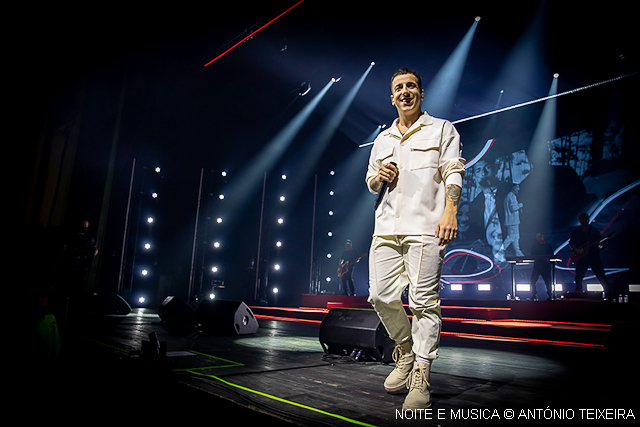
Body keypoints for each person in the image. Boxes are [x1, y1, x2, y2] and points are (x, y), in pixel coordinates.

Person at [365, 68, 465, 410]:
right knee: (380, 295)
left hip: (426, 227)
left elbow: (454, 170)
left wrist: (450, 211)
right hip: (386, 228)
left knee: (424, 302)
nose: (405, 92)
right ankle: (405, 352)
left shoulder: (441, 129)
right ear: (392, 97)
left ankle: (421, 374)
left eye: (411, 86)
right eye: (398, 88)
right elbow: (369, 182)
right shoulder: (383, 138)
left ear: (421, 94)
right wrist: (379, 175)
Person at [569, 212, 611, 299]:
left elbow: (600, 243)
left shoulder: (594, 231)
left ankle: (609, 294)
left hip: (593, 256)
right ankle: (578, 295)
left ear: (587, 220)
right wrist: (576, 249)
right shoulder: (577, 231)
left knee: (600, 275)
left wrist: (599, 245)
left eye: (585, 220)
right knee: (578, 277)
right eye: (582, 220)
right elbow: (571, 243)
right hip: (581, 257)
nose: (583, 222)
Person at [529, 233, 554, 300]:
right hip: (537, 266)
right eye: (537, 237)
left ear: (543, 237)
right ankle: (534, 294)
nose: (539, 238)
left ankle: (550, 295)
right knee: (533, 280)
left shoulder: (548, 245)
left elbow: (551, 254)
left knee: (548, 281)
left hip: (545, 266)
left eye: (540, 237)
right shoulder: (535, 246)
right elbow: (532, 254)